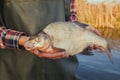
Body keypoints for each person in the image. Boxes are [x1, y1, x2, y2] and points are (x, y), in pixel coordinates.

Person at [0, 0, 104, 80]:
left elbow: (71, 21)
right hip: (16, 72)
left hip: (64, 71)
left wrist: (83, 33)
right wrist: (24, 41)